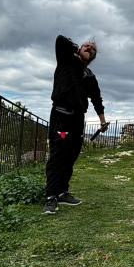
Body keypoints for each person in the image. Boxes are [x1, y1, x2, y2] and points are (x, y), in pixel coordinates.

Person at [43, 35, 107, 214]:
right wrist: (77, 48)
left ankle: (63, 192)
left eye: (92, 49)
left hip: (78, 120)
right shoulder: (66, 60)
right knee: (58, 157)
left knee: (70, 157)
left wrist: (102, 121)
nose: (88, 48)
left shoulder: (89, 76)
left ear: (93, 58)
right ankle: (51, 198)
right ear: (79, 49)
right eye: (86, 46)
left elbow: (96, 99)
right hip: (61, 117)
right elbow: (60, 40)